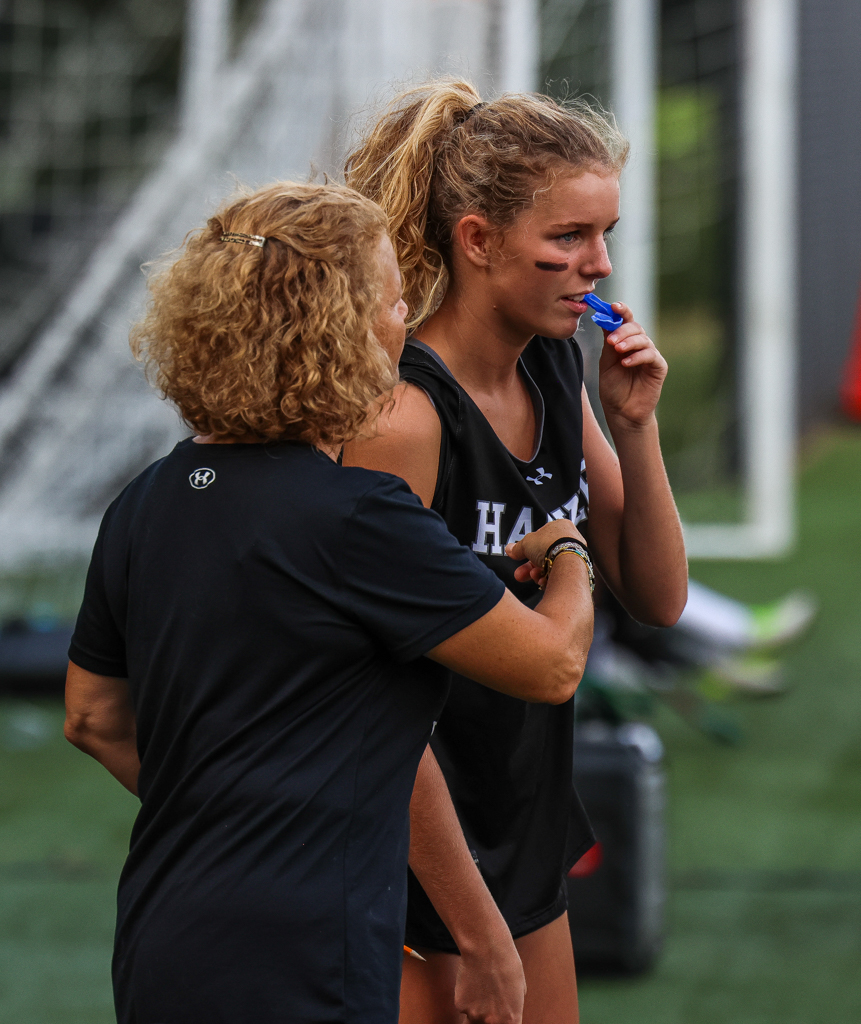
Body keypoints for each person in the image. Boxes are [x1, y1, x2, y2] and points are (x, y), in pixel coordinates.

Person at [63, 180, 598, 1024]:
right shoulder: (355, 517)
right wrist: (567, 551)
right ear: (335, 331)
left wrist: (232, 812)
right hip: (308, 949)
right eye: (390, 301)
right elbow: (552, 664)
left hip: (163, 934)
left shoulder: (145, 501)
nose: (401, 321)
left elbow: (91, 716)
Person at [344, 80, 689, 1024]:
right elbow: (370, 696)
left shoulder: (550, 361)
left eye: (605, 233)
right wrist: (474, 926)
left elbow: (658, 598)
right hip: (413, 860)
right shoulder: (404, 417)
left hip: (521, 824)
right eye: (569, 238)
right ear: (477, 239)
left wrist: (635, 429)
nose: (599, 265)